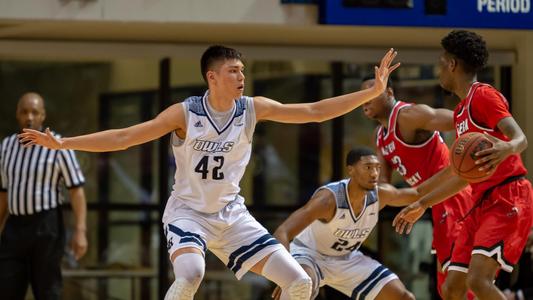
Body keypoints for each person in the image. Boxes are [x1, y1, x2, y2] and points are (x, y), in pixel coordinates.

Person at [18, 45, 399, 300]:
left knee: (300, 282)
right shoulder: (185, 113)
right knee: (190, 274)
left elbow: (314, 111)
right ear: (211, 77)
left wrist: (371, 92)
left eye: (243, 71)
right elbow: (124, 137)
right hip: (188, 214)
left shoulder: (252, 108)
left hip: (232, 216)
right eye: (233, 71)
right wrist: (64, 143)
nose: (241, 76)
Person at [392, 30, 533, 300]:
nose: (438, 69)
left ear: (452, 64)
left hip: (508, 196)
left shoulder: (484, 96)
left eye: (440, 62)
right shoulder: (459, 114)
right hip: (480, 202)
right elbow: (461, 174)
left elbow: (520, 137)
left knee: (479, 281)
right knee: (452, 288)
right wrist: (422, 202)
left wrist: (508, 147)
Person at [360, 76, 474, 297]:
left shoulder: (409, 116)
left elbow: (461, 120)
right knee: (446, 282)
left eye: (371, 93)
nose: (365, 100)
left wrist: (470, 152)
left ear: (390, 93)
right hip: (433, 203)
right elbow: (383, 187)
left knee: (458, 277)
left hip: (455, 196)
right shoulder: (380, 137)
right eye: (362, 95)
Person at [272, 147, 416, 300]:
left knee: (404, 297)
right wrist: (285, 275)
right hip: (310, 254)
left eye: (377, 168)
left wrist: (443, 184)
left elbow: (419, 193)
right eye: (368, 167)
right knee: (299, 287)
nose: (374, 173)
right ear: (351, 170)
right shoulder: (328, 200)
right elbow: (282, 232)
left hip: (347, 259)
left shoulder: (380, 195)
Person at [0, 93, 88, 300]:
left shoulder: (58, 146)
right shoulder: (6, 147)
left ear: (43, 116)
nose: (29, 117)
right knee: (6, 288)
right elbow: (3, 193)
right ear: (17, 114)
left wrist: (80, 230)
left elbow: (76, 190)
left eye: (34, 112)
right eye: (24, 112)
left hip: (46, 226)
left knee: (47, 290)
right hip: (14, 227)